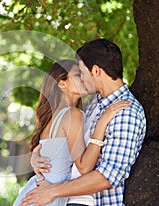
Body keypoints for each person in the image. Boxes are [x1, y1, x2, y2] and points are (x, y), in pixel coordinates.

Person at [21, 39, 146, 206]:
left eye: (81, 72)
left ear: (95, 71)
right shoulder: (95, 102)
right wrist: (39, 158)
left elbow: (108, 176)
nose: (81, 78)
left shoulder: (126, 112)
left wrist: (52, 190)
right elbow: (69, 146)